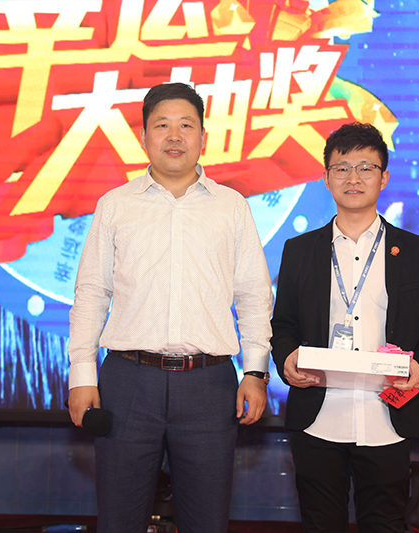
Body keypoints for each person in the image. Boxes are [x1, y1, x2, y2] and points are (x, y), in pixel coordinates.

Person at [67, 82, 273, 533]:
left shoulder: (231, 207)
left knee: (207, 521)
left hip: (209, 386)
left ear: (203, 137)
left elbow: (254, 295)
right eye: (162, 125)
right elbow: (91, 294)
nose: (174, 136)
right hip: (128, 382)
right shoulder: (115, 205)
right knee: (119, 520)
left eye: (186, 125)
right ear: (144, 136)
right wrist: (82, 376)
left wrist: (256, 372)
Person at [270, 122, 419, 532]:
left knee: (385, 524)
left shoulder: (417, 251)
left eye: (366, 168)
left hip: (386, 417)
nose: (353, 178)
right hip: (318, 416)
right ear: (326, 178)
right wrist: (287, 359)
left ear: (383, 178)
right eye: (342, 168)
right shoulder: (299, 251)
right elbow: (283, 325)